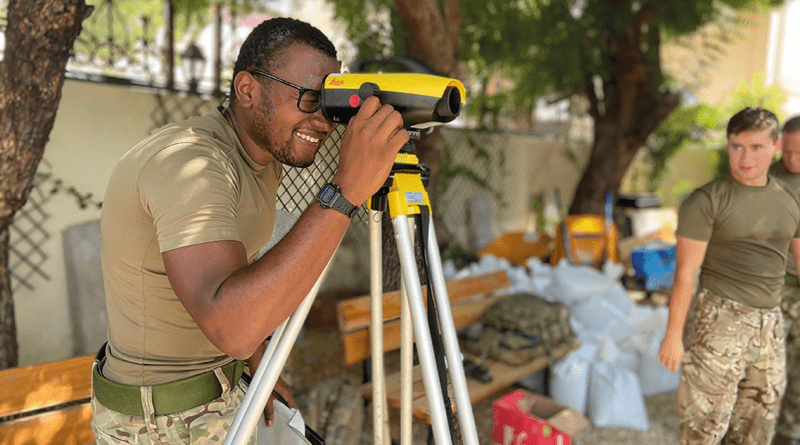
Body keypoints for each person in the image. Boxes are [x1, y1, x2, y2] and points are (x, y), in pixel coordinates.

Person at [90, 17, 409, 444]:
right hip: (160, 421)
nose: (323, 121)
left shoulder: (261, 161)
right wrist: (346, 190)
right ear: (247, 89)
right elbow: (232, 328)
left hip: (220, 386)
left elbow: (237, 281)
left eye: (329, 103)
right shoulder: (190, 165)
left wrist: (255, 364)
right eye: (310, 98)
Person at [658, 107, 800, 444]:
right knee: (703, 430)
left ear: (774, 146)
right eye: (737, 147)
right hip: (719, 323)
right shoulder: (706, 201)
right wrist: (673, 335)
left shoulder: (790, 201)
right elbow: (684, 276)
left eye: (756, 148)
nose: (745, 158)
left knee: (756, 430)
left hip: (771, 325)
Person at [770, 115, 800, 445]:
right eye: (787, 152)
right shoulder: (767, 179)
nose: (791, 160)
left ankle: (789, 435)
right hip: (777, 287)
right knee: (764, 370)